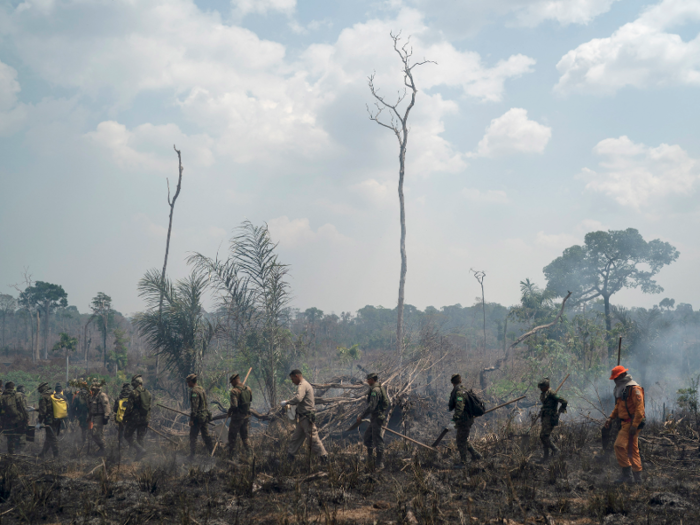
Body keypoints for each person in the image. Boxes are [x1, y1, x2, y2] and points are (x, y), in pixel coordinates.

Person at [604, 366, 645, 484]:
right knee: (632, 450)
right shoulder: (623, 389)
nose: (615, 381)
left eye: (616, 378)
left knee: (619, 446)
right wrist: (611, 418)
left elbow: (640, 409)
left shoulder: (634, 388)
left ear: (622, 376)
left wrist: (634, 425)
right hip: (626, 423)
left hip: (630, 423)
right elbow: (618, 406)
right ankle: (638, 479)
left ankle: (627, 475)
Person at [281, 370, 328, 464]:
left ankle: (324, 458)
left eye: (292, 379)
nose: (292, 381)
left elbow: (298, 398)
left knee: (313, 440)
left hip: (306, 418)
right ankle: (289, 459)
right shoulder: (305, 385)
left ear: (296, 376)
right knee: (295, 439)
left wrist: (287, 402)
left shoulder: (302, 385)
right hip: (302, 419)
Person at [356, 372, 389, 470]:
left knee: (378, 440)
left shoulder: (375, 390)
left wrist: (362, 415)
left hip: (377, 418)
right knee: (367, 437)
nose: (367, 381)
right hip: (375, 418)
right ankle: (370, 460)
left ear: (372, 379)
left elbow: (372, 407)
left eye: (368, 379)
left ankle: (379, 464)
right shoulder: (377, 388)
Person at [448, 374, 483, 468]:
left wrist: (453, 421)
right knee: (463, 439)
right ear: (460, 381)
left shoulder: (459, 392)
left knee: (460, 441)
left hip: (464, 420)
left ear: (452, 383)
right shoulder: (464, 390)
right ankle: (476, 455)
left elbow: (459, 408)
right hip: (467, 419)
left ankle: (464, 463)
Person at [538, 377, 567, 462]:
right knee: (542, 436)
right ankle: (545, 457)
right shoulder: (545, 393)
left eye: (542, 387)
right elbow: (546, 404)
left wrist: (560, 411)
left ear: (546, 386)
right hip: (545, 417)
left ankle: (556, 450)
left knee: (544, 436)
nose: (540, 389)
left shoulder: (552, 393)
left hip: (550, 417)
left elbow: (564, 401)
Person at [123, 374, 151, 459]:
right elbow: (149, 408)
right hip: (145, 419)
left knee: (127, 435)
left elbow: (129, 408)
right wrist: (147, 420)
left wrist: (125, 418)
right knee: (140, 438)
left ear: (135, 383)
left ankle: (140, 450)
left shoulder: (133, 393)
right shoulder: (148, 392)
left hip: (135, 419)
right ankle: (140, 458)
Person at [187, 374, 213, 458]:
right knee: (206, 436)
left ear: (191, 382)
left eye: (188, 382)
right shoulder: (201, 389)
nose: (188, 384)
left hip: (198, 418)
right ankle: (212, 452)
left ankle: (192, 455)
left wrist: (192, 419)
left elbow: (194, 407)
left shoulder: (194, 391)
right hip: (204, 416)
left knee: (193, 437)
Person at [227, 372, 252, 459]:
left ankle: (231, 456)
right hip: (246, 416)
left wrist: (229, 411)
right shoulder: (248, 388)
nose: (231, 384)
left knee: (232, 437)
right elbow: (250, 400)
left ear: (234, 380)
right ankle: (250, 455)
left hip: (237, 417)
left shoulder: (234, 391)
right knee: (245, 437)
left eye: (232, 382)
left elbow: (234, 405)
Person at [0, 382, 28, 455]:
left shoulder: (2, 397)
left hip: (7, 420)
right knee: (21, 435)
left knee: (10, 437)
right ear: (13, 387)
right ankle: (20, 453)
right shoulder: (17, 395)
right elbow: (22, 408)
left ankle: (11, 453)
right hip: (18, 419)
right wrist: (26, 418)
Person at [88, 380, 111, 456]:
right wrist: (89, 417)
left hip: (100, 416)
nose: (92, 390)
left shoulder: (102, 395)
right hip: (94, 417)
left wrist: (106, 416)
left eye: (94, 389)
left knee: (94, 433)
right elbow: (91, 408)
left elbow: (106, 405)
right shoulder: (93, 397)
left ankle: (103, 448)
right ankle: (103, 450)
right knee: (97, 434)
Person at [37, 382, 59, 458]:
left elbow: (43, 411)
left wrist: (39, 422)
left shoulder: (43, 396)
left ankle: (56, 456)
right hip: (57, 419)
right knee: (49, 437)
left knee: (52, 438)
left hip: (49, 420)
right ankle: (42, 454)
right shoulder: (53, 394)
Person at [71, 379, 90, 445]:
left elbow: (73, 407)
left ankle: (84, 441)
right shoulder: (90, 394)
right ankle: (89, 442)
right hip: (89, 415)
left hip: (81, 415)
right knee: (90, 428)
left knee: (83, 429)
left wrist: (75, 415)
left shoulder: (77, 395)